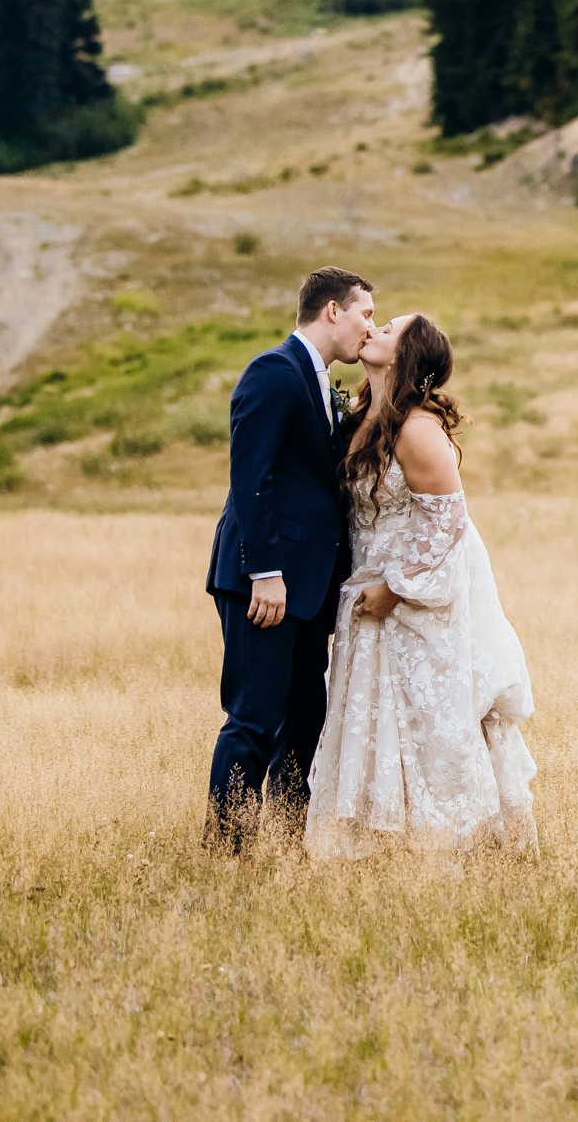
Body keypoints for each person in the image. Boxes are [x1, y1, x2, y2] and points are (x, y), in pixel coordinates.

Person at [306, 311, 536, 857]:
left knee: (425, 715)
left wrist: (396, 586)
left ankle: (444, 840)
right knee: (374, 710)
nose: (375, 331)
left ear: (407, 355)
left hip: (409, 596)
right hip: (364, 588)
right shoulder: (366, 417)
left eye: (390, 329)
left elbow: (447, 520)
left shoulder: (416, 428)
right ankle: (376, 841)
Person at [204, 266, 377, 851]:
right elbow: (252, 479)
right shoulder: (272, 372)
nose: (369, 328)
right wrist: (267, 573)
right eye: (366, 314)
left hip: (306, 589)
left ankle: (283, 840)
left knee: (306, 718)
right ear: (333, 311)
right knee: (254, 717)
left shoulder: (320, 382)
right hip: (264, 582)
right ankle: (225, 849)